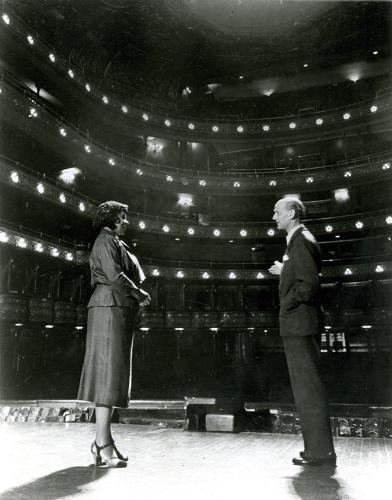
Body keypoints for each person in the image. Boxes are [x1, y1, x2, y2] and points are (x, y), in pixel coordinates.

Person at [78, 201, 151, 468]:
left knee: (111, 377)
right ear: (110, 219)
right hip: (109, 307)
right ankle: (102, 443)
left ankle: (103, 441)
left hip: (114, 308)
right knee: (108, 377)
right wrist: (139, 293)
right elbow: (115, 275)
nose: (126, 221)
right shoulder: (105, 241)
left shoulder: (114, 242)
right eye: (122, 217)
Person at [269, 197, 336, 466]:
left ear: (292, 213)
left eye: (277, 212)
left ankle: (320, 452)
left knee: (308, 390)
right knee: (306, 389)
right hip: (300, 323)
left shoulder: (301, 240)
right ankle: (317, 450)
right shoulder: (299, 241)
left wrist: (287, 304)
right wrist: (285, 271)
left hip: (299, 323)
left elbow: (308, 284)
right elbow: (301, 274)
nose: (274, 217)